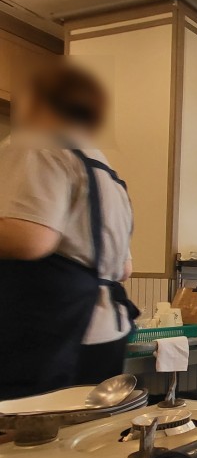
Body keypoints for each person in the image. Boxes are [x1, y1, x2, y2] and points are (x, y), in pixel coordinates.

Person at [0, 62, 137, 398]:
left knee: (28, 427)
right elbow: (124, 269)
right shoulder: (105, 169)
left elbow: (31, 238)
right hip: (104, 330)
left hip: (48, 327)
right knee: (86, 425)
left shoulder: (36, 142)